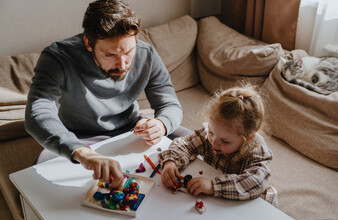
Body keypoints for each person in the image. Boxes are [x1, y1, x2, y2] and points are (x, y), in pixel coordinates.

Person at [25, 0, 189, 189]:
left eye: (129, 51)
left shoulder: (147, 54)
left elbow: (170, 104)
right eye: (110, 55)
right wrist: (82, 152)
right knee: (37, 180)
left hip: (132, 127)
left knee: (197, 142)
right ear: (88, 43)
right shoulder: (57, 58)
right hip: (78, 135)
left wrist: (161, 124)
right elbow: (37, 113)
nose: (122, 64)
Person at [159, 85, 278, 207]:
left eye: (225, 141)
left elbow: (255, 182)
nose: (214, 142)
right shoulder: (212, 135)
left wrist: (213, 186)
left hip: (245, 202)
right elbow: (186, 144)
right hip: (215, 200)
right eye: (211, 132)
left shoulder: (257, 150)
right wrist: (171, 161)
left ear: (248, 138)